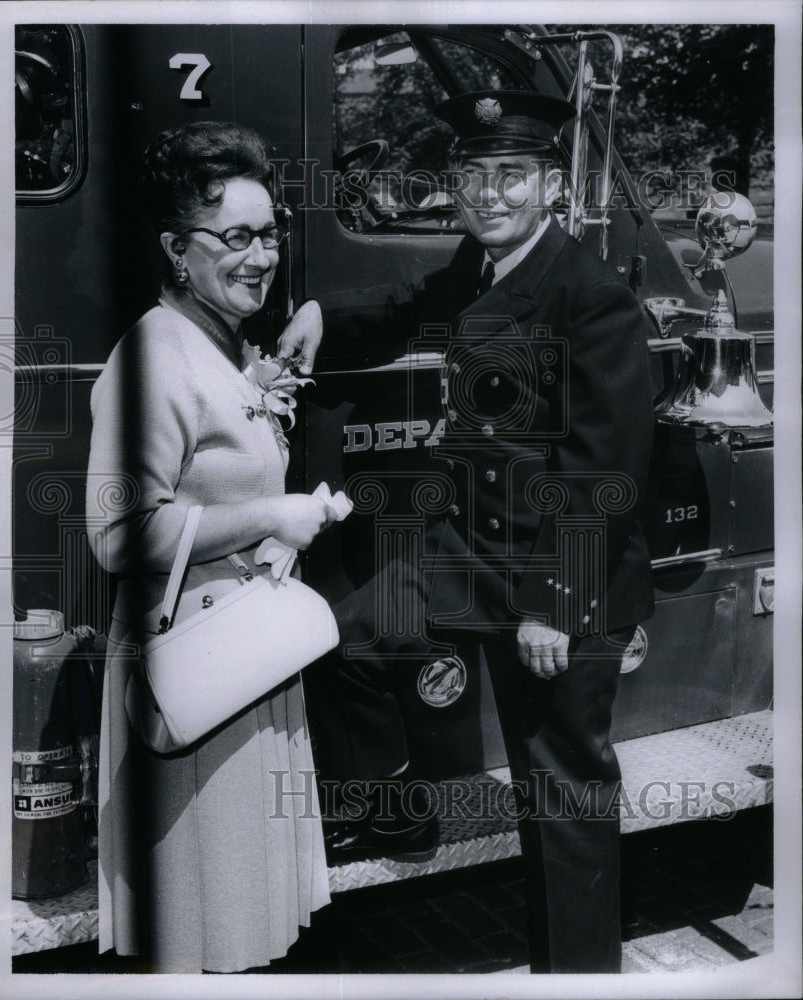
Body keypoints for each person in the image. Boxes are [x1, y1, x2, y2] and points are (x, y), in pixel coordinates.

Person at [315, 91, 655, 974]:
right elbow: (404, 303)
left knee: (562, 796)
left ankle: (577, 980)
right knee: (340, 643)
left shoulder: (591, 297)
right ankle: (399, 810)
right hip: (472, 557)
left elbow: (603, 475)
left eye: (510, 177)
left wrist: (555, 607)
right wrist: (311, 320)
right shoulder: (483, 263)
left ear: (548, 185)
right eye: (470, 177)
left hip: (556, 574)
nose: (487, 194)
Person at [85, 121, 335, 973]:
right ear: (174, 249)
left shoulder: (217, 341)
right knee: (208, 924)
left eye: (268, 234)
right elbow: (118, 534)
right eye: (233, 237)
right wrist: (273, 517)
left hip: (243, 660)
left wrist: (298, 328)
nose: (258, 256)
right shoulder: (151, 357)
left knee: (237, 921)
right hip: (191, 670)